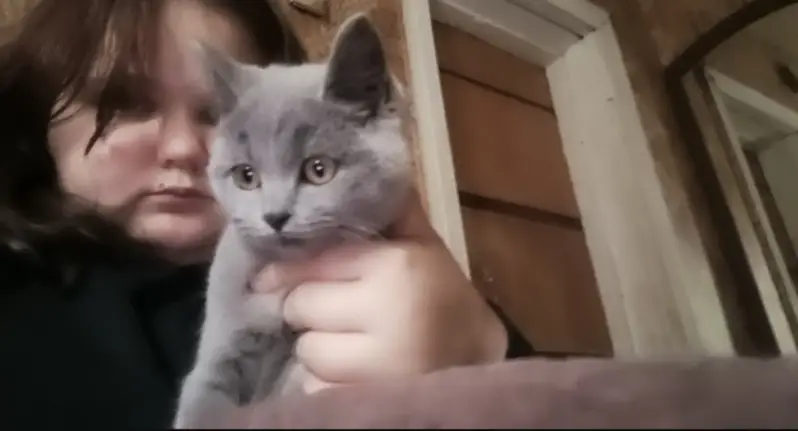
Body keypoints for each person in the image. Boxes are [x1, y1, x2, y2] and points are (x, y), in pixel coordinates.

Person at [0, 0, 533, 428]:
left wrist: (485, 346)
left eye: (215, 112)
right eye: (126, 103)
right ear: (43, 114)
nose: (183, 148)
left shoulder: (412, 293)